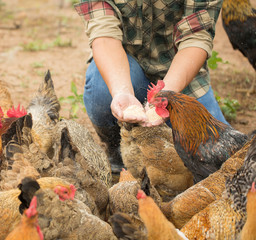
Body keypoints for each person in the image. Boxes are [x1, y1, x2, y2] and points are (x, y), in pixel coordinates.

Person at [74, 0, 228, 173]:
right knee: (101, 92)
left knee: (219, 156)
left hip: (181, 67)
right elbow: (103, 34)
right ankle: (118, 146)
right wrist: (121, 91)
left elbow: (197, 36)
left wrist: (167, 97)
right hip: (125, 62)